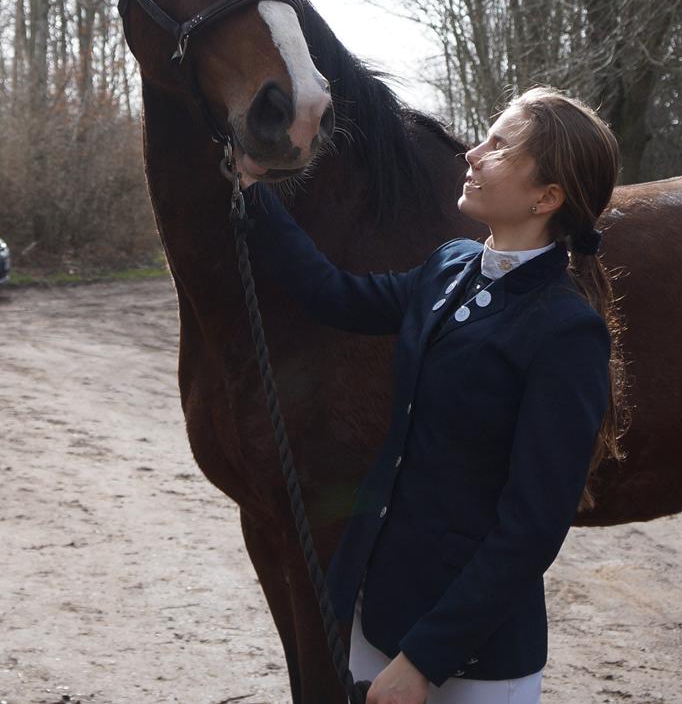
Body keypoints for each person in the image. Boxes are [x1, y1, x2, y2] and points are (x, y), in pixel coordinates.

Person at [239, 86, 627, 704]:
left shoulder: (565, 331)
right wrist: (254, 191)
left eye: (500, 147)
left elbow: (531, 529)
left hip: (473, 657)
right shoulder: (451, 265)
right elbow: (334, 295)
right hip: (378, 616)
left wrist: (425, 660)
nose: (473, 153)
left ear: (546, 197)